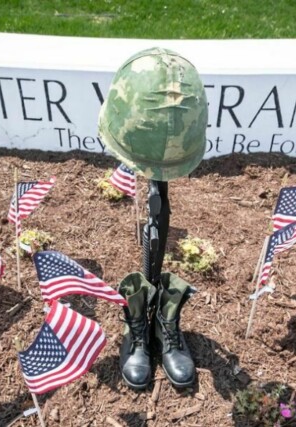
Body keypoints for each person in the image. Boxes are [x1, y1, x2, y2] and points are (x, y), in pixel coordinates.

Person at [99, 47, 209, 391]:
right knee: (154, 217)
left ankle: (165, 322)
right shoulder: (134, 93)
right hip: (139, 124)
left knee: (160, 209)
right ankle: (138, 322)